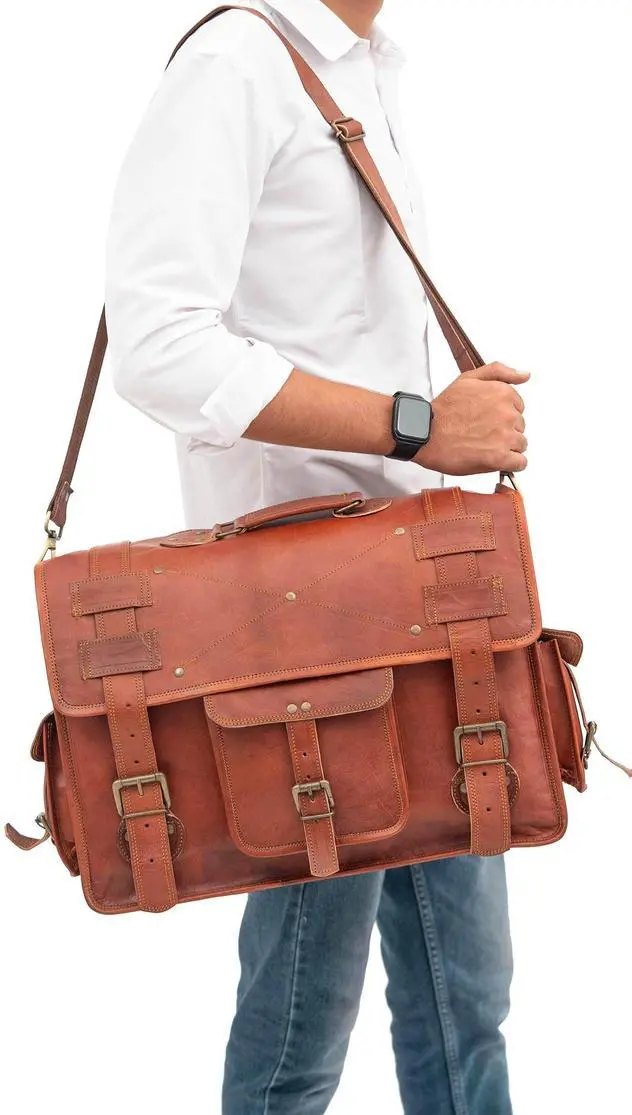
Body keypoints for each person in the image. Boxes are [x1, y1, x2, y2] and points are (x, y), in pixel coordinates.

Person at [105, 3, 528, 1112]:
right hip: (298, 633)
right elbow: (157, 344)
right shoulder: (236, 64)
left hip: (422, 601)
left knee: (468, 1003)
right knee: (303, 1025)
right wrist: (415, 425)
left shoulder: (366, 65)